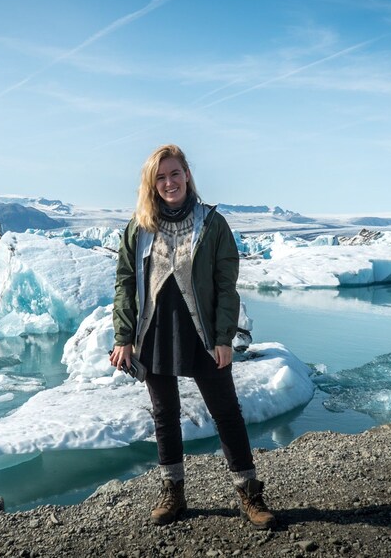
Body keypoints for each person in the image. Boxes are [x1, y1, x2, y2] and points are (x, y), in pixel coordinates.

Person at [109, 144, 276, 529]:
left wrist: (223, 337)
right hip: (155, 331)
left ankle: (250, 495)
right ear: (152, 184)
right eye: (161, 177)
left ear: (187, 175)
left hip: (202, 334)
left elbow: (225, 285)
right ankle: (174, 493)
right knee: (165, 415)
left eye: (175, 174)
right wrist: (124, 336)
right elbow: (125, 283)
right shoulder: (139, 226)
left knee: (227, 413)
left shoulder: (212, 224)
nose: (169, 182)